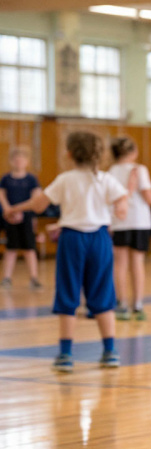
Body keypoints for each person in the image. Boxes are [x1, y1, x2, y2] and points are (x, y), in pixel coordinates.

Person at [8, 131, 129, 373]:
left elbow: (40, 204)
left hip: (72, 239)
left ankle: (65, 355)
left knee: (68, 292)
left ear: (70, 154)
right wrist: (120, 210)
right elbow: (122, 200)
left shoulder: (65, 179)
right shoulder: (104, 178)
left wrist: (15, 209)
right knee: (103, 294)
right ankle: (110, 351)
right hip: (100, 239)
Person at [108, 137, 151, 320]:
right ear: (133, 151)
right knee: (137, 262)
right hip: (139, 221)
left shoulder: (110, 171)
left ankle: (122, 304)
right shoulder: (139, 169)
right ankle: (138, 304)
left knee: (119, 264)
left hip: (119, 221)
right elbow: (149, 198)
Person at [0, 148, 43, 289]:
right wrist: (8, 210)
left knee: (29, 248)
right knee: (11, 247)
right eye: (16, 159)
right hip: (10, 218)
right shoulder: (6, 179)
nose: (19, 162)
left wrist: (20, 210)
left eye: (22, 159)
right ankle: (6, 278)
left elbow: (36, 198)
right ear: (12, 161)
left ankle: (34, 278)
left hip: (26, 218)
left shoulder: (31, 179)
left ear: (27, 162)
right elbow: (2, 195)